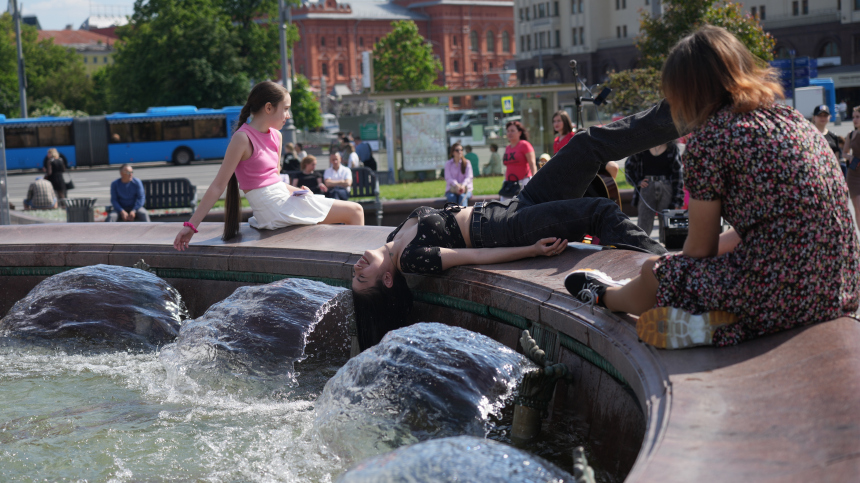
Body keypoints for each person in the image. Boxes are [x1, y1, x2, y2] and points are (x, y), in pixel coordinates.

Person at [565, 26, 860, 350]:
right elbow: (776, 225)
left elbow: (699, 250)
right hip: (839, 286)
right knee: (684, 267)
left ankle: (609, 296)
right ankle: (716, 325)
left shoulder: (712, 139)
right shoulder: (793, 120)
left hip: (778, 291)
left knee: (656, 272)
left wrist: (668, 268)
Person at [350, 99, 681, 350]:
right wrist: (531, 249)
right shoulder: (409, 259)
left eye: (355, 274)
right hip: (505, 229)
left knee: (585, 144)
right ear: (389, 279)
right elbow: (472, 258)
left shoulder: (395, 238)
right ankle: (676, 276)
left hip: (514, 205)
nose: (358, 267)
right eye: (364, 277)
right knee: (598, 211)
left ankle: (683, 110)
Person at [174, 81, 363, 250]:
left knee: (350, 213)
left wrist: (298, 190)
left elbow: (274, 181)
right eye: (286, 108)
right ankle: (359, 270)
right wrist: (191, 226)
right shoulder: (242, 138)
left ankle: (355, 268)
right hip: (273, 209)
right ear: (268, 108)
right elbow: (217, 186)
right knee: (355, 211)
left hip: (279, 202)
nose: (288, 116)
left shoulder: (276, 136)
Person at [624, 141, 685, 235]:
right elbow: (629, 167)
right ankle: (641, 246)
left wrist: (677, 199)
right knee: (644, 223)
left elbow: (678, 174)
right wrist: (638, 181)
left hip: (666, 187)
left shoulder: (672, 148)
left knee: (667, 223)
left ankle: (666, 247)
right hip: (647, 187)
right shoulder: (641, 147)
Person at [500, 121, 537, 201]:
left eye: (512, 131)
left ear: (520, 133)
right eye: (508, 131)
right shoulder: (508, 148)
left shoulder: (525, 145)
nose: (510, 133)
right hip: (509, 184)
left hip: (523, 183)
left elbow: (532, 164)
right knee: (503, 207)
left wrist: (534, 181)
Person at [811, 104, 844, 174]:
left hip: (830, 173)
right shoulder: (809, 135)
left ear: (829, 117)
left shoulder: (833, 136)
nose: (822, 118)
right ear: (814, 117)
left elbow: (837, 159)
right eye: (820, 115)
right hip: (814, 173)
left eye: (825, 116)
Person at [444, 142, 474, 207]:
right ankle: (452, 216)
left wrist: (463, 185)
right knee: (452, 197)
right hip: (452, 189)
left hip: (466, 189)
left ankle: (463, 216)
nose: (460, 152)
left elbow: (469, 177)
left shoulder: (467, 162)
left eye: (461, 150)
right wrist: (456, 185)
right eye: (457, 150)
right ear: (452, 152)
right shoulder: (448, 164)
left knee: (462, 196)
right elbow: (448, 178)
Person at [845, 106, 860, 227]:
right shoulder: (851, 135)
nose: (855, 120)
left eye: (858, 117)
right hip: (854, 175)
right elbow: (844, 152)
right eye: (853, 117)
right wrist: (850, 157)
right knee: (858, 210)